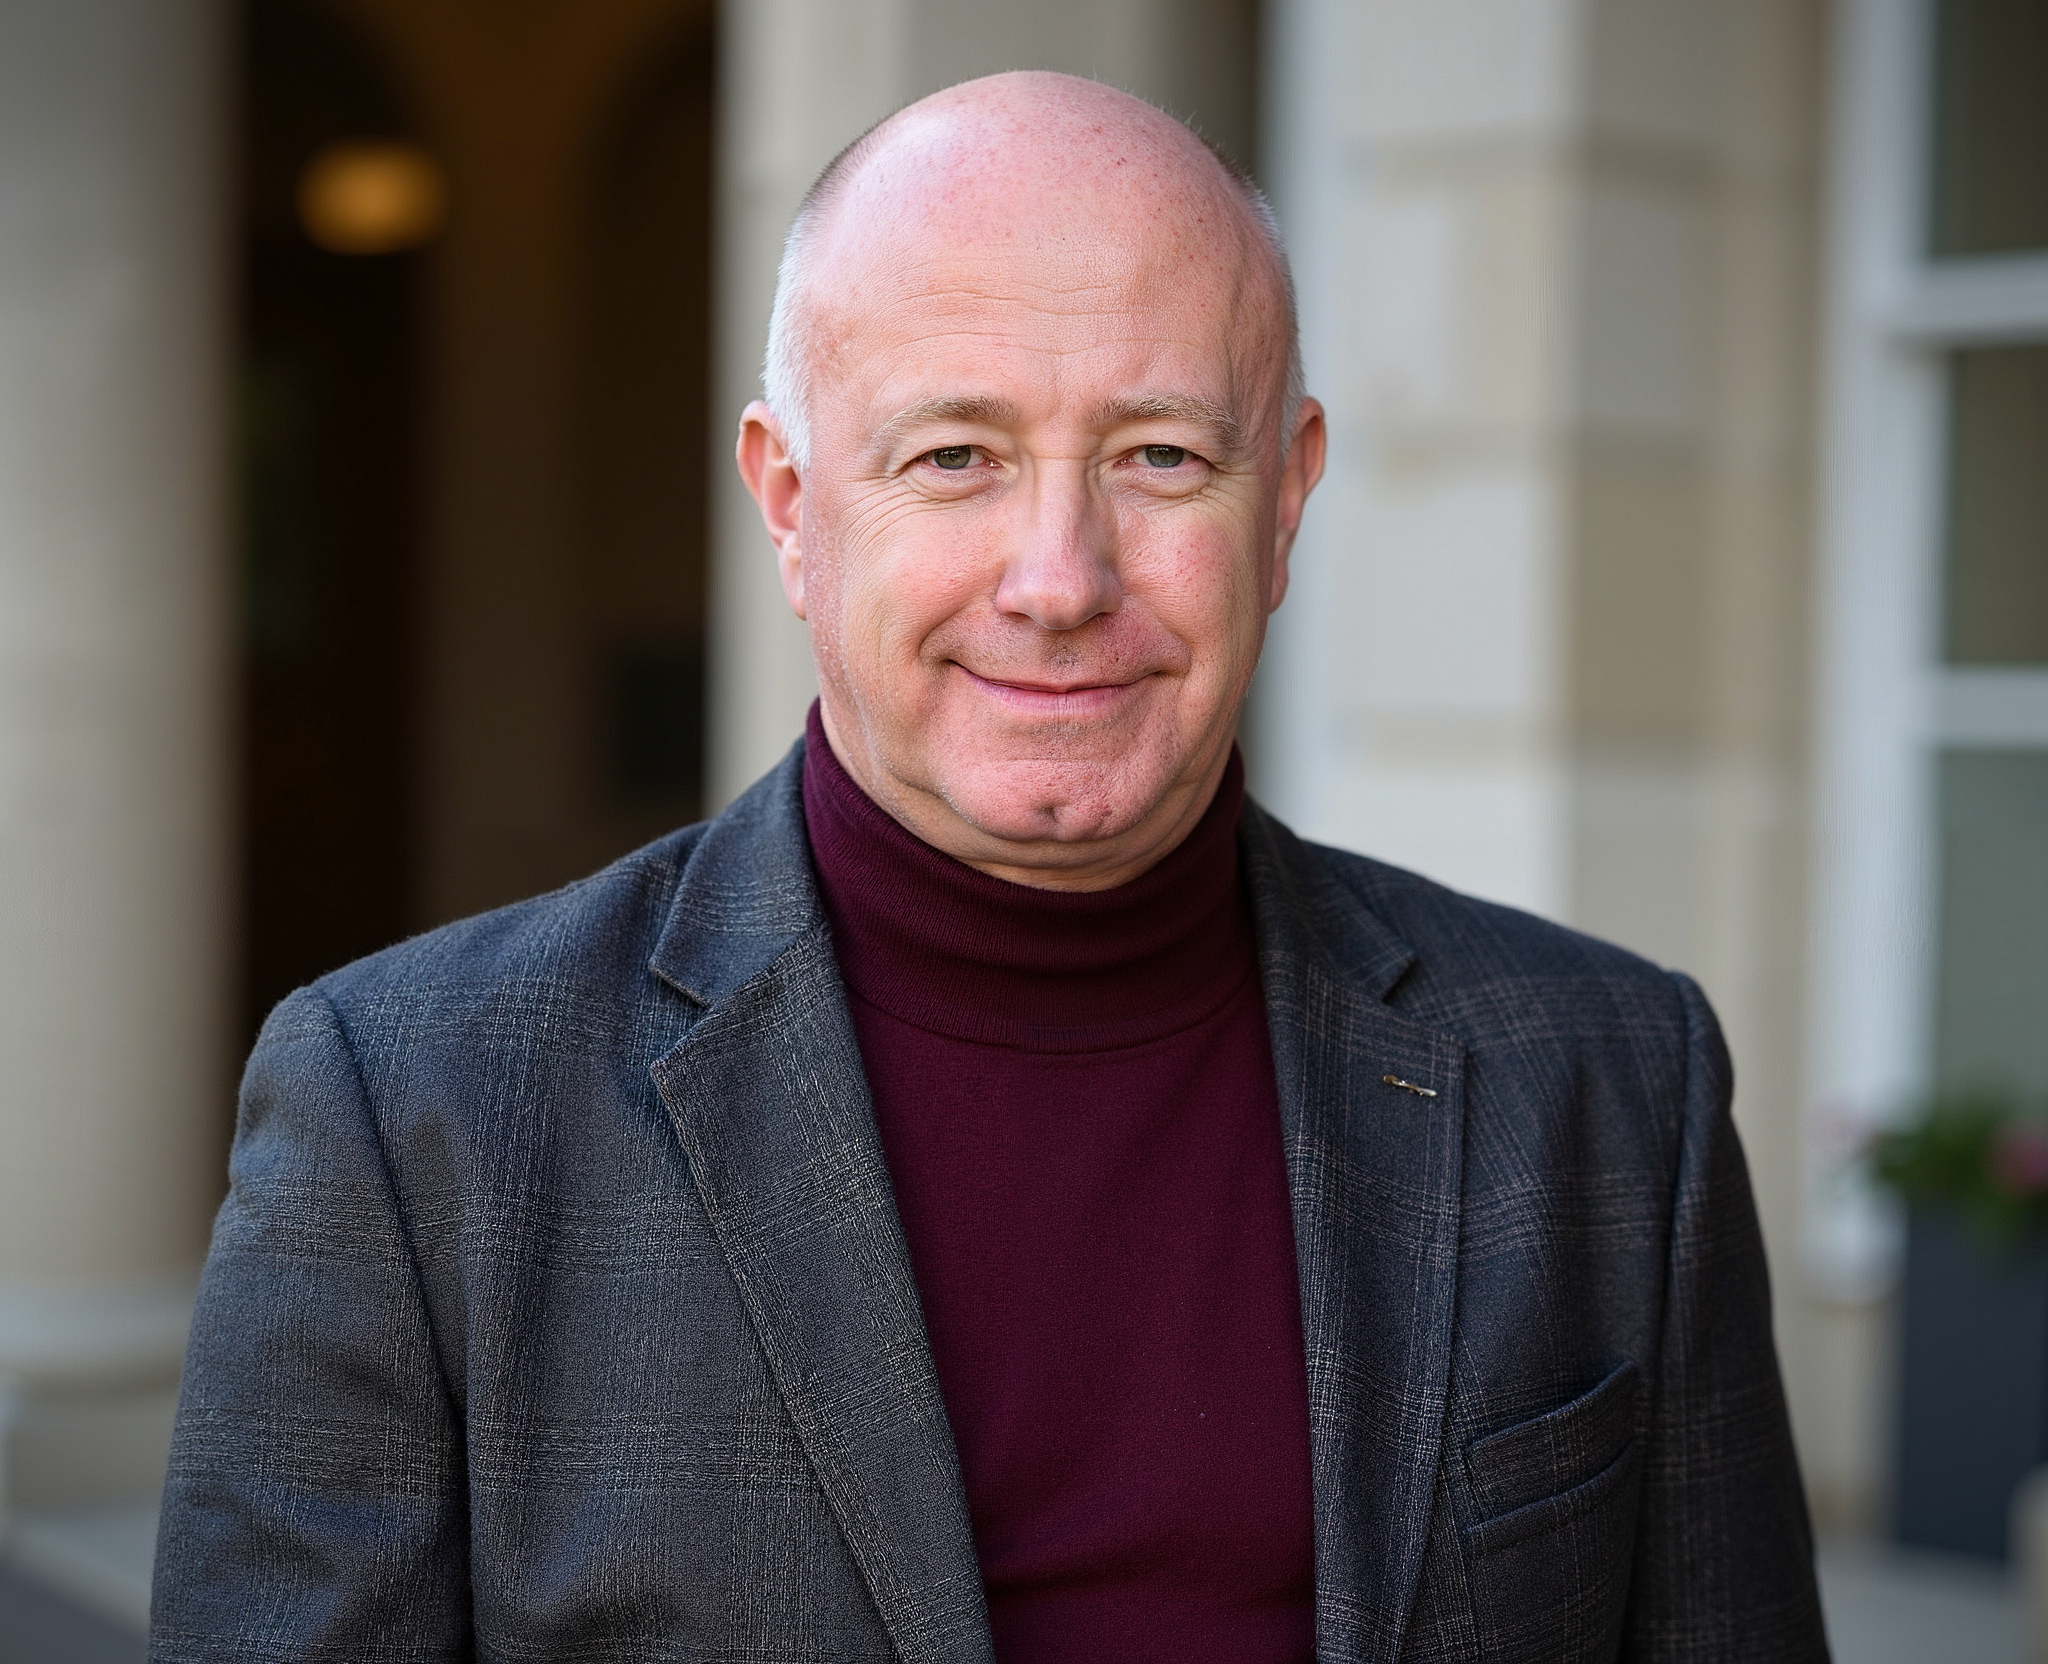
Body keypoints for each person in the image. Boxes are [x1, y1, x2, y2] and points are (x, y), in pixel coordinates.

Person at [150, 72, 1827, 1663]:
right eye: (954, 455)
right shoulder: (412, 1116)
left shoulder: (1612, 1086)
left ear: (1289, 496)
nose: (1060, 577)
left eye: (1161, 455)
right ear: (795, 505)